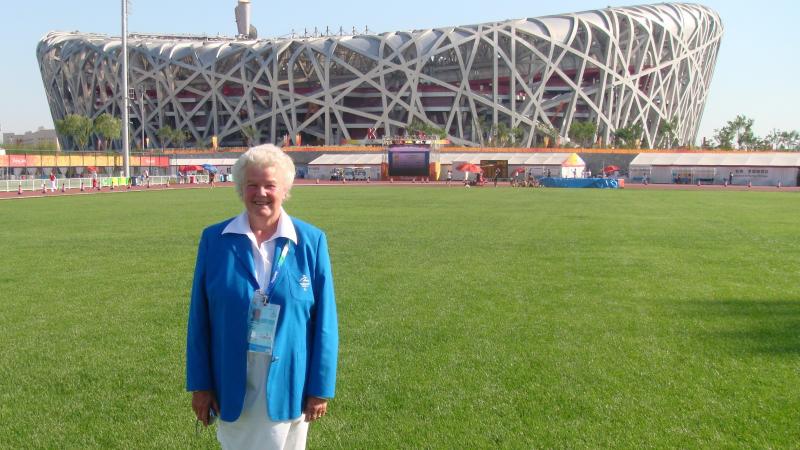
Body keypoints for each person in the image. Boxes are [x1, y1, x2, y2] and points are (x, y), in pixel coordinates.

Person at [186, 144, 338, 450]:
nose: (261, 193)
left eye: (270, 185)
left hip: (289, 383)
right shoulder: (215, 241)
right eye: (252, 185)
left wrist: (321, 387)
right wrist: (201, 385)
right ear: (241, 189)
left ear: (285, 189)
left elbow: (325, 322)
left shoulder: (311, 241)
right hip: (231, 381)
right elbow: (199, 319)